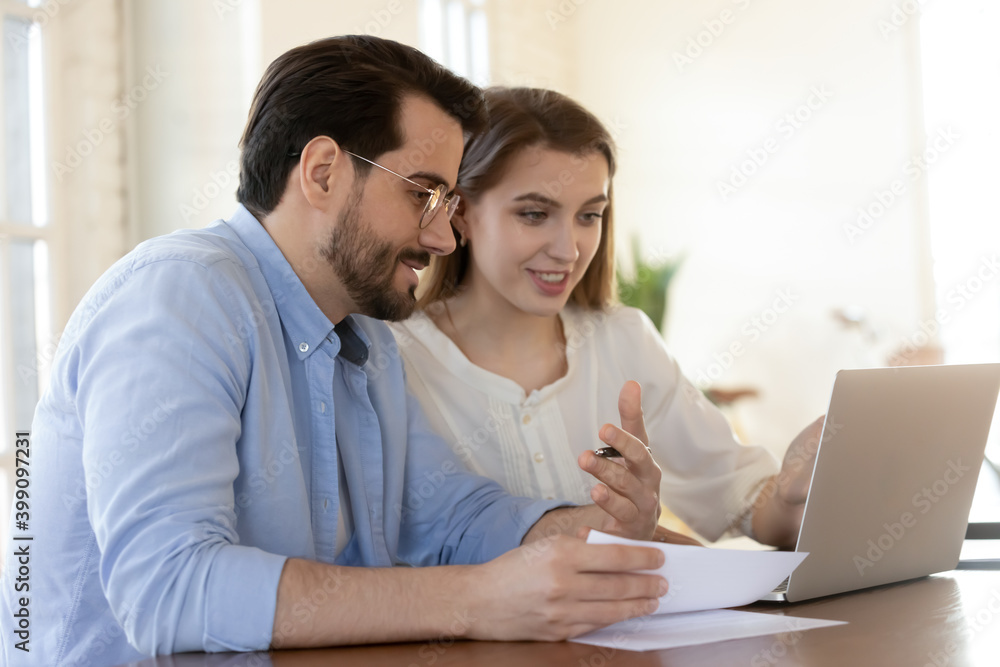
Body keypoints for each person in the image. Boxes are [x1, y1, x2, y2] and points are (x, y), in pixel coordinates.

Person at [0, 38, 675, 667]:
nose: (444, 238)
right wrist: (475, 596)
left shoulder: (367, 341)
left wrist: (595, 524)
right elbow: (169, 588)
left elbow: (450, 518)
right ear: (322, 173)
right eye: (423, 194)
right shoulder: (180, 294)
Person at [389, 86, 823, 549]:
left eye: (589, 215)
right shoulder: (392, 360)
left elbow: (748, 505)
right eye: (535, 214)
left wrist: (792, 493)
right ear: (461, 214)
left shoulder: (623, 340)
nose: (569, 250)